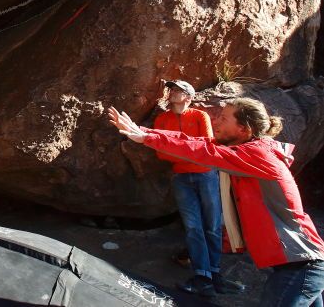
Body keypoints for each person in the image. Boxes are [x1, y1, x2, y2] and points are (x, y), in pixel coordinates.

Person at [108, 99, 324, 306]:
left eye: (224, 118)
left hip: (302, 265)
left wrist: (147, 139)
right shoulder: (248, 150)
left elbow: (204, 152)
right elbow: (195, 141)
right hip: (302, 263)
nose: (216, 122)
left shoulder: (257, 154)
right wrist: (147, 132)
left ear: (244, 129)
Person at [152, 80, 225, 296]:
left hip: (206, 174)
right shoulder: (162, 119)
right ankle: (203, 275)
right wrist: (188, 149)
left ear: (188, 97)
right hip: (182, 177)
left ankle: (215, 271)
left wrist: (177, 148)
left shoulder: (199, 116)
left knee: (212, 224)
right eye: (171, 90)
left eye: (178, 90)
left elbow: (207, 144)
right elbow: (159, 151)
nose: (172, 92)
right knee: (193, 226)